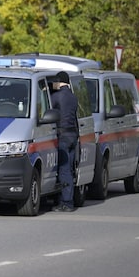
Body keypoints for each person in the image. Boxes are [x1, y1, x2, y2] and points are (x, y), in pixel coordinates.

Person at [50, 71, 79, 212]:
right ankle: (67, 199)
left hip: (63, 136)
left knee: (64, 170)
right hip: (74, 135)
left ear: (59, 81)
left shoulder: (56, 97)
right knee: (70, 170)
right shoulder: (73, 97)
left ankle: (67, 203)